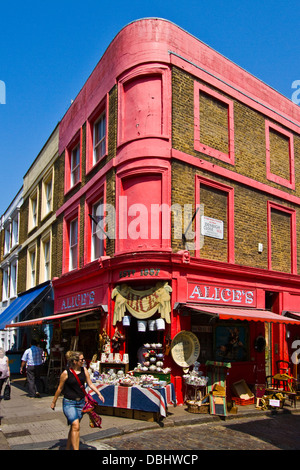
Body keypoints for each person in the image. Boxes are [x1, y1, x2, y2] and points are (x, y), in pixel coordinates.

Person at [50, 350, 105, 450]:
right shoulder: (66, 373)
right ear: (75, 361)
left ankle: (67, 448)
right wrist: (54, 402)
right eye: (82, 359)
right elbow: (60, 388)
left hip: (81, 403)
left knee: (74, 427)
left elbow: (90, 383)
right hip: (69, 403)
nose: (84, 361)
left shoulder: (84, 370)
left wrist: (99, 393)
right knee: (76, 426)